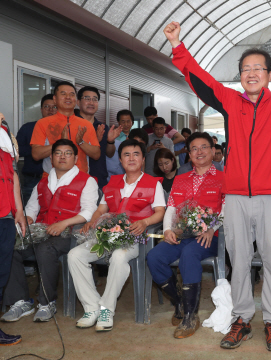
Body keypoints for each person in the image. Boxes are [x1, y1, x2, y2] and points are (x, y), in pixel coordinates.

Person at [164, 10, 271, 351]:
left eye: (259, 68)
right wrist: (177, 45)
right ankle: (242, 318)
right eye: (246, 69)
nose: (252, 73)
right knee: (238, 259)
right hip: (236, 198)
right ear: (240, 77)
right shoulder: (230, 102)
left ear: (269, 75)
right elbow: (201, 81)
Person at [68, 139, 165, 332]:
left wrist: (144, 222)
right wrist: (92, 222)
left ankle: (106, 310)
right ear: (120, 160)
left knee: (119, 257)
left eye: (136, 154)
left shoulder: (153, 184)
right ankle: (91, 307)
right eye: (126, 155)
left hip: (134, 237)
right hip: (107, 236)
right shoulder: (112, 183)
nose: (131, 158)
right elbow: (101, 209)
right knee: (75, 255)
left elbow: (160, 212)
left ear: (143, 159)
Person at [1, 139, 98, 323]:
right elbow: (31, 209)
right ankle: (20, 301)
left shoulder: (87, 181)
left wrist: (64, 224)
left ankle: (47, 302)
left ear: (76, 158)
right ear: (51, 158)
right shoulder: (43, 183)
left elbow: (88, 212)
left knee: (45, 249)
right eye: (58, 153)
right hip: (42, 231)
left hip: (70, 234)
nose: (62, 157)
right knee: (10, 247)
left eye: (68, 153)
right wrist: (28, 218)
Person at [147, 132, 223, 339]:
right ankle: (179, 301)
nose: (199, 152)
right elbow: (171, 208)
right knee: (154, 257)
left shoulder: (223, 178)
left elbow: (227, 208)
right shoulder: (180, 179)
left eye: (204, 147)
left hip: (209, 237)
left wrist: (211, 229)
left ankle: (190, 316)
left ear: (213, 150)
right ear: (189, 154)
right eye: (194, 149)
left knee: (189, 255)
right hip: (180, 234)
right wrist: (168, 230)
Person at [31, 81, 100, 175]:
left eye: (72, 94)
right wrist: (60, 141)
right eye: (63, 94)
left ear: (75, 100)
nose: (68, 97)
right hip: (52, 180)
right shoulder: (43, 123)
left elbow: (96, 155)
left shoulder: (86, 124)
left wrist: (81, 142)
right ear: (55, 99)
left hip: (81, 179)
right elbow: (36, 154)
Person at [0, 112, 26, 346]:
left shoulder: (5, 142)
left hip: (6, 217)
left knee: (1, 274)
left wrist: (19, 210)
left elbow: (13, 176)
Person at [76, 86, 121, 189]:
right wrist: (94, 141)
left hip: (99, 180)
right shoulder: (72, 125)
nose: (91, 103)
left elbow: (109, 154)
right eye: (87, 99)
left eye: (95, 99)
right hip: (76, 180)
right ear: (78, 102)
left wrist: (110, 141)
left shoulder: (103, 127)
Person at [16, 94, 55, 205]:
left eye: (54, 107)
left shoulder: (63, 128)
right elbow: (17, 151)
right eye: (47, 106)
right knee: (29, 214)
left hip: (55, 178)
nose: (51, 110)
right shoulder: (28, 127)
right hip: (32, 179)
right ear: (41, 109)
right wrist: (37, 148)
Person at [106, 110, 134, 178]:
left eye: (128, 121)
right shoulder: (113, 137)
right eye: (123, 121)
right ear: (118, 122)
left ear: (132, 122)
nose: (126, 124)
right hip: (113, 175)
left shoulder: (136, 137)